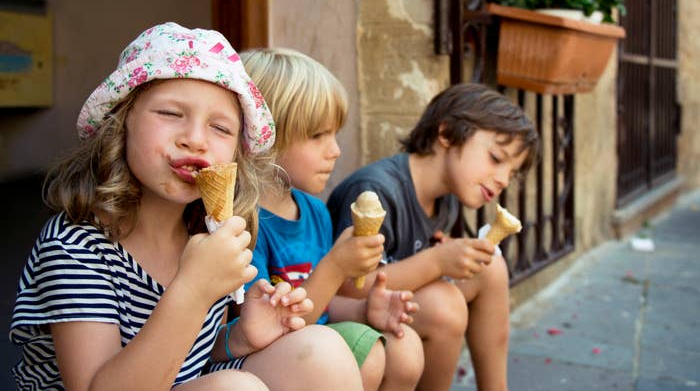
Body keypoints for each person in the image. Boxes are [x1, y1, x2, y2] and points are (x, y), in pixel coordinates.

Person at [9, 23, 363, 391]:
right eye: (171, 114)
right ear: (120, 122)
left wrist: (239, 336)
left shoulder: (208, 230)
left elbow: (191, 359)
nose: (195, 139)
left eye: (220, 128)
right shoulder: (75, 248)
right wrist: (193, 288)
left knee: (322, 350)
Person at [327, 82, 541, 391]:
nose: (503, 179)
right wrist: (437, 261)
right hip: (340, 313)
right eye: (496, 158)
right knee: (445, 306)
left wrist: (447, 257)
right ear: (446, 135)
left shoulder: (447, 198)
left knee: (490, 266)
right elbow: (347, 288)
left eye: (512, 172)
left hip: (393, 303)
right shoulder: (376, 192)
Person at [241, 47, 425, 391]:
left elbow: (322, 305)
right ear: (264, 136)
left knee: (406, 346)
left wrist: (366, 311)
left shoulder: (314, 210)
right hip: (272, 358)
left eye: (335, 134)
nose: (336, 150)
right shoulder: (244, 225)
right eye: (317, 136)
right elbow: (273, 328)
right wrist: (336, 267)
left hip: (315, 341)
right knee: (368, 356)